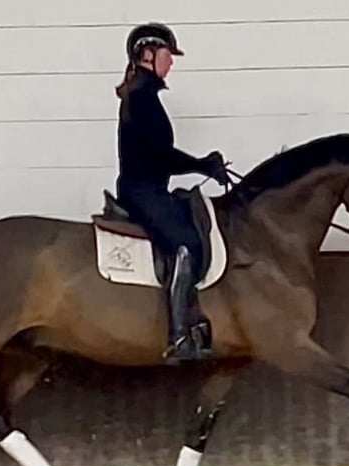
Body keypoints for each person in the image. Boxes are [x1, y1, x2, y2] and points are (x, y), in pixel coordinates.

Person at [114, 22, 232, 364]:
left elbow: (161, 155)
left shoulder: (144, 96)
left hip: (150, 187)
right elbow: (161, 155)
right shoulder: (141, 99)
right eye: (168, 55)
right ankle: (179, 334)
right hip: (141, 191)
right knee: (187, 244)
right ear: (148, 55)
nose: (172, 62)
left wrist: (201, 165)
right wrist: (202, 165)